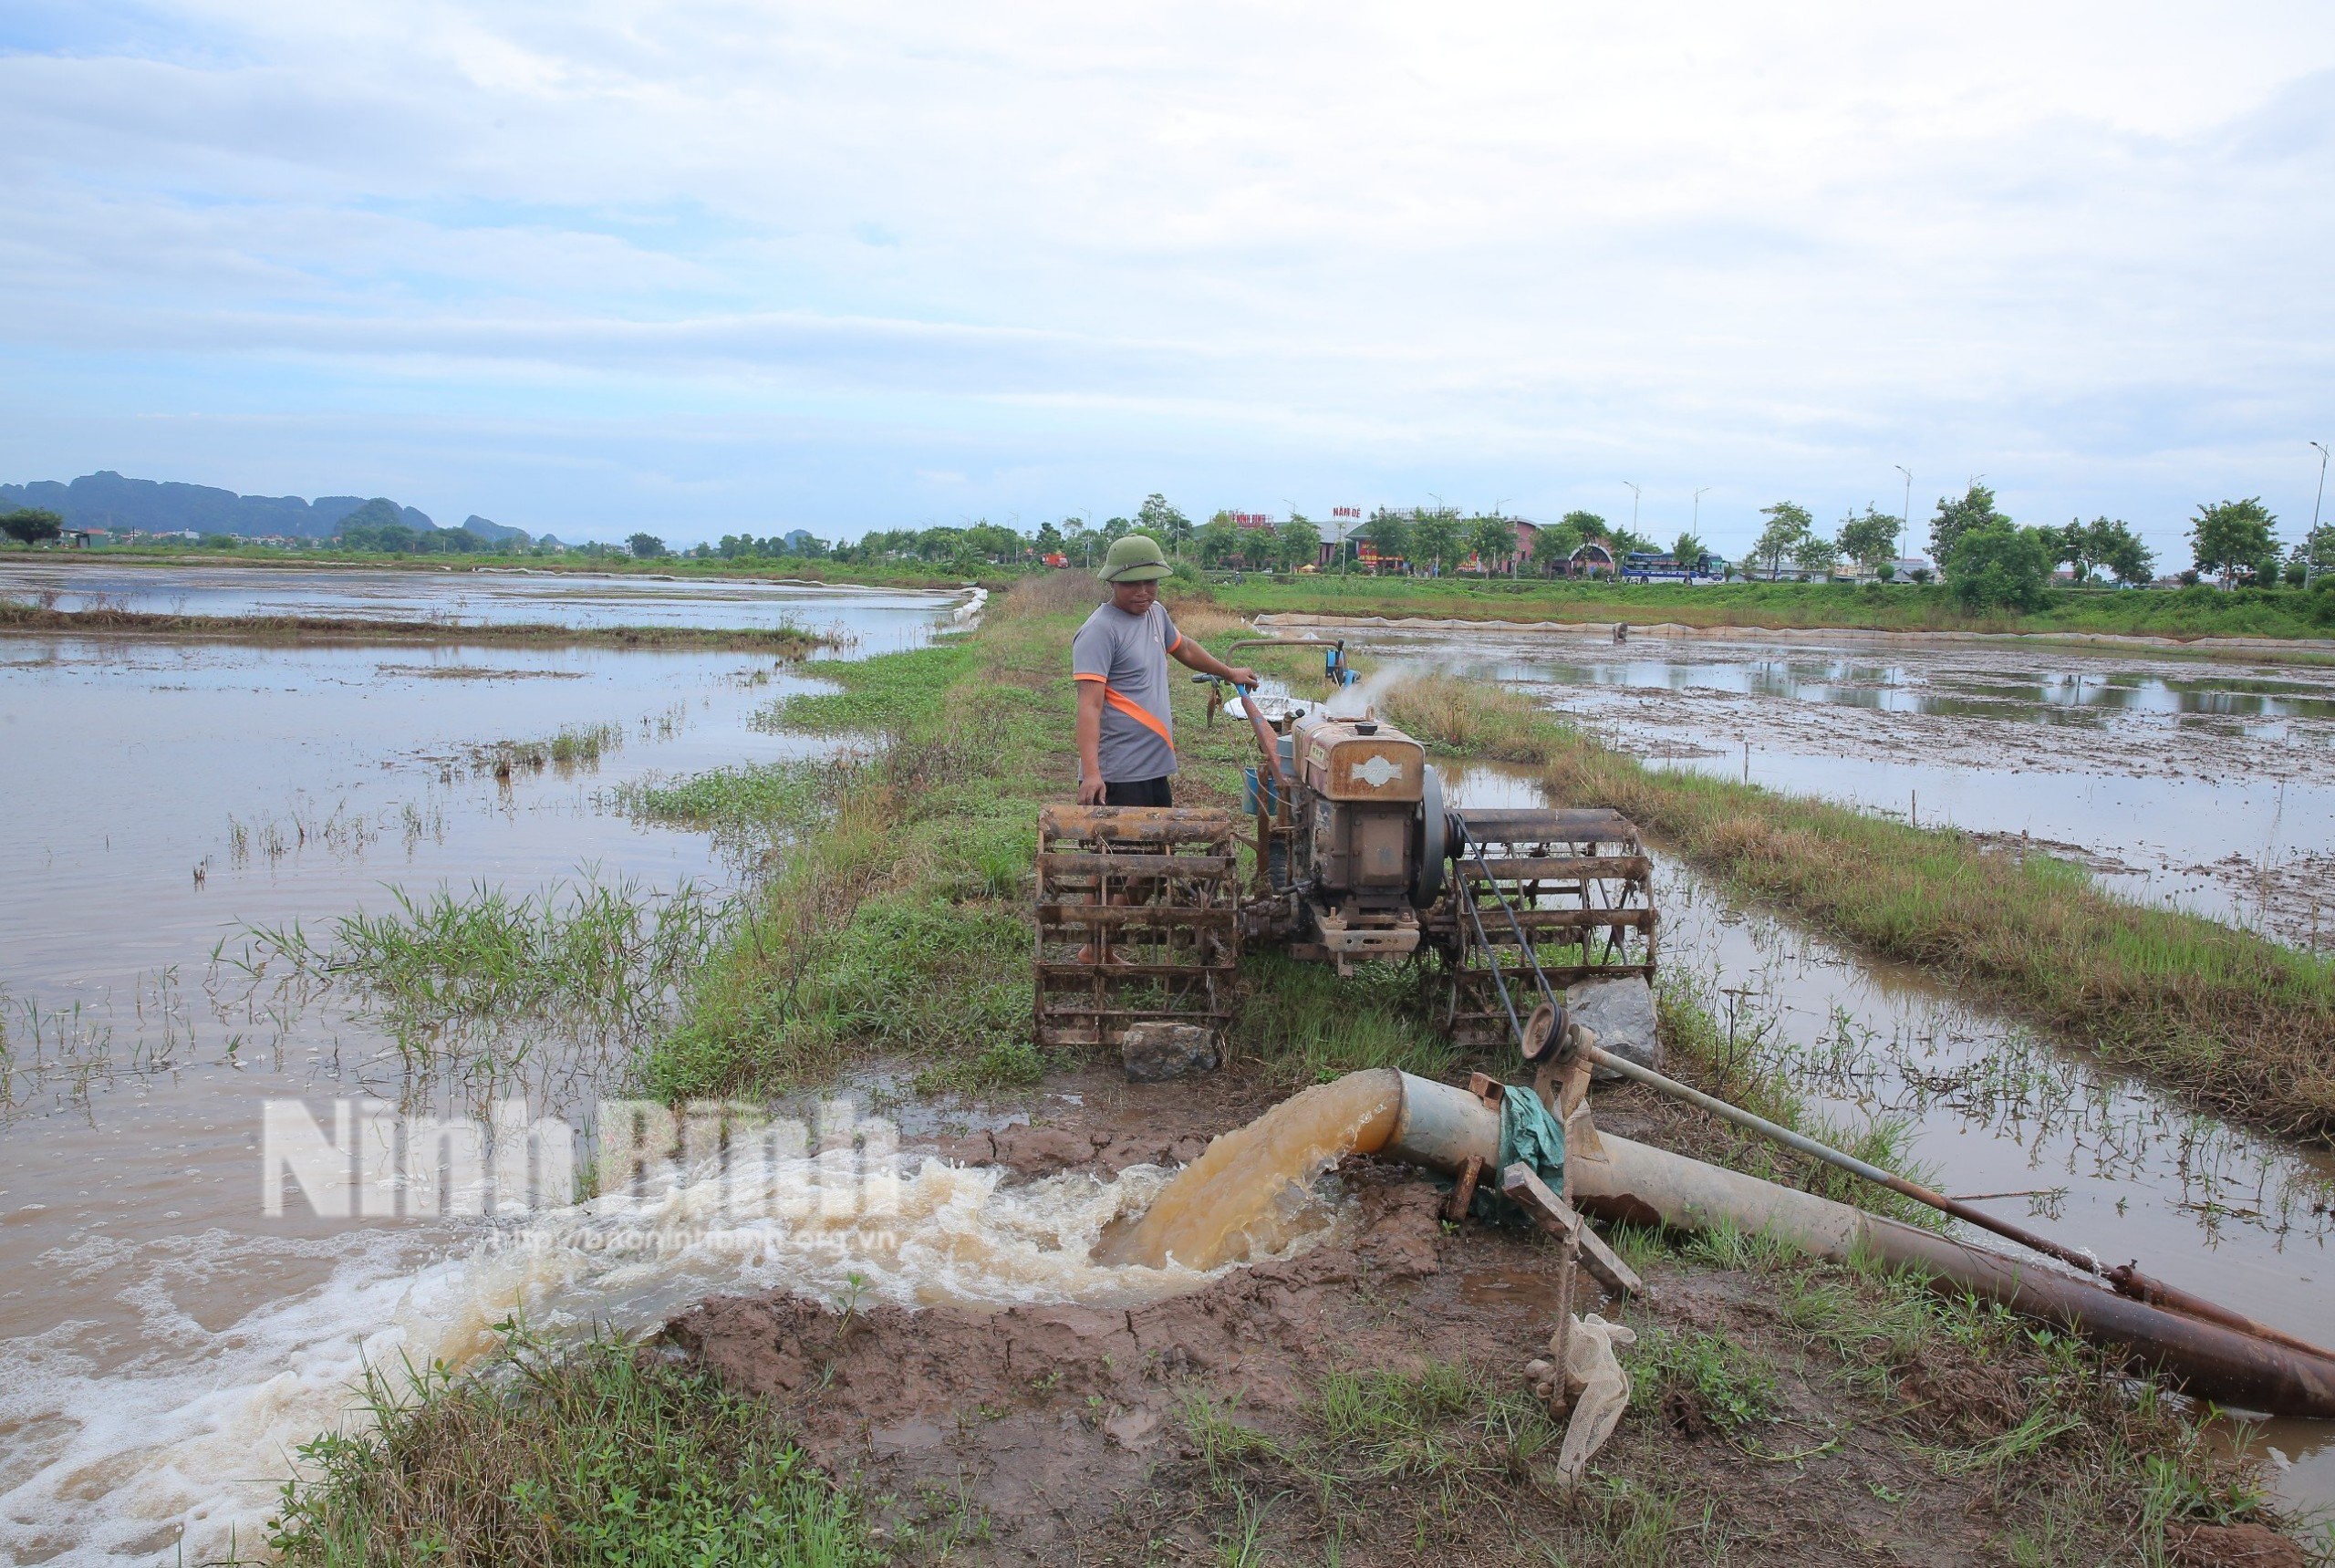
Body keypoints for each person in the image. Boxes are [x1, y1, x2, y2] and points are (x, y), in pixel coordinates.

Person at [1073, 535, 1257, 806]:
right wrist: (1091, 775)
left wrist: (1229, 673)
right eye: (1132, 583)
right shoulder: (1100, 630)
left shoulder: (1155, 614)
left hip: (1155, 765)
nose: (1143, 591)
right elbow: (1089, 706)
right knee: (1125, 848)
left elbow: (1185, 649)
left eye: (1151, 582)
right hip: (1118, 773)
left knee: (1159, 845)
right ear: (1112, 581)